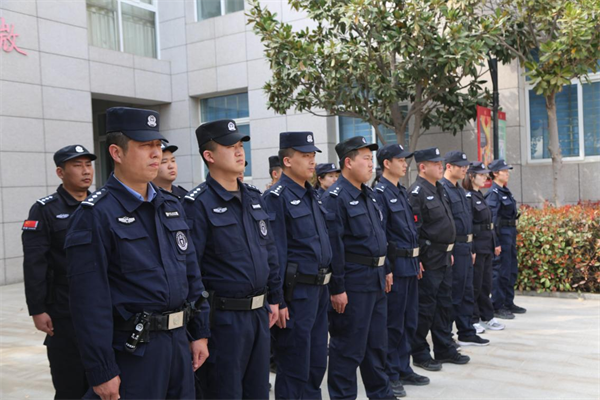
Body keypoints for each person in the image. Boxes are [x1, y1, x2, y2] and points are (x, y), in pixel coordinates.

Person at [65, 107, 210, 400]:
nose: (156, 153)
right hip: (134, 351)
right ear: (116, 152)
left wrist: (200, 332)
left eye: (158, 145)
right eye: (145, 146)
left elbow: (191, 274)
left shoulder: (171, 205)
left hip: (179, 344)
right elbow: (88, 302)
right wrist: (102, 370)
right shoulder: (95, 215)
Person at [183, 119, 282, 400]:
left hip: (259, 314)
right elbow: (191, 271)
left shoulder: (253, 197)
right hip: (223, 320)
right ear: (209, 156)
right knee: (225, 392)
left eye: (240, 145)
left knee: (258, 391)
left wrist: (275, 297)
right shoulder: (197, 204)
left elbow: (269, 251)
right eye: (230, 147)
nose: (239, 152)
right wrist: (199, 331)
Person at [321, 136, 396, 400]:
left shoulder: (370, 195)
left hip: (375, 279)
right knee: (347, 348)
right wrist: (337, 288)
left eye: (371, 158)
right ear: (348, 162)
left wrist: (386, 268)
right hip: (353, 283)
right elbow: (334, 248)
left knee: (377, 346)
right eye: (365, 158)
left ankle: (381, 394)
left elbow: (379, 237)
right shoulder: (335, 198)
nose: (371, 164)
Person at [22, 144, 96, 400]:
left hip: (102, 307)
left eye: (88, 165)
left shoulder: (100, 204)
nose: (86, 171)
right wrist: (37, 309)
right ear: (60, 172)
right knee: (70, 382)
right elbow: (35, 263)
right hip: (64, 309)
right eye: (77, 165)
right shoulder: (45, 209)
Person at [263, 131, 333, 399]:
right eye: (305, 155)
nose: (312, 161)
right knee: (295, 365)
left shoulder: (311, 194)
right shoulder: (277, 197)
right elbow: (275, 252)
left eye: (313, 155)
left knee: (316, 363)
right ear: (287, 161)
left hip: (319, 290)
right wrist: (278, 299)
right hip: (296, 294)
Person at [374, 144, 429, 398]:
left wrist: (417, 259)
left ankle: (404, 367)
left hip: (410, 265)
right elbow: (381, 235)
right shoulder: (380, 193)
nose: (405, 164)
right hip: (395, 268)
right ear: (387, 163)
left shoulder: (401, 191)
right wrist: (386, 268)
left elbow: (410, 232)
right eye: (400, 160)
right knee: (393, 323)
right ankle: (390, 373)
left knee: (409, 320)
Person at [408, 147, 469, 372]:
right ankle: (420, 353)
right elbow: (414, 231)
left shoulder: (439, 189)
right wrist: (418, 259)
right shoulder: (416, 192)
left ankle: (444, 348)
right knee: (426, 307)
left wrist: (448, 252)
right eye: (435, 163)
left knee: (444, 305)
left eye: (440, 162)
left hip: (444, 256)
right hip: (429, 258)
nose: (440, 167)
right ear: (423, 167)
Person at [440, 151, 489, 347]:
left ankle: (467, 331)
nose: (464, 169)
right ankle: (447, 336)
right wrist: (450, 250)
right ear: (448, 166)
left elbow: (468, 221)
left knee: (467, 291)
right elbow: (445, 224)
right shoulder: (442, 189)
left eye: (465, 166)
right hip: (454, 248)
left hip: (467, 247)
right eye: (460, 166)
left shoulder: (460, 190)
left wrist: (472, 248)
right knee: (454, 292)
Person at [463, 162, 505, 332]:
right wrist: (472, 248)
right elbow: (468, 225)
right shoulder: (468, 197)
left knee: (486, 284)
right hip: (477, 246)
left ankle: (487, 316)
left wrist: (494, 243)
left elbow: (489, 224)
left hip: (486, 245)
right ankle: (473, 319)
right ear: (471, 176)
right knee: (475, 284)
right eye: (481, 175)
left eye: (485, 174)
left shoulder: (479, 195)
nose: (485, 178)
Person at [485, 159, 526, 319]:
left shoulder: (505, 191)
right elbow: (492, 221)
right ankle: (497, 305)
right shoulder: (493, 194)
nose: (507, 174)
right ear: (495, 173)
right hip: (501, 236)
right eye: (504, 171)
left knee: (510, 269)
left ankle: (508, 302)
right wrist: (495, 242)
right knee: (500, 271)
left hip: (509, 234)